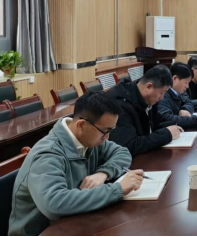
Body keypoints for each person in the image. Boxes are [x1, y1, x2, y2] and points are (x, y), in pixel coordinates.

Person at [9, 92, 144, 237]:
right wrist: (117, 190)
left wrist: (103, 173)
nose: (107, 137)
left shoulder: (90, 138)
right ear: (81, 125)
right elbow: (54, 204)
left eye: (111, 130)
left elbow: (122, 153)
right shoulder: (48, 154)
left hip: (74, 222)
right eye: (105, 131)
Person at [108, 65, 183, 157]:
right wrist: (167, 134)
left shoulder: (146, 97)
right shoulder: (121, 104)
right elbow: (128, 146)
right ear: (148, 87)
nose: (162, 97)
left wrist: (174, 126)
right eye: (161, 93)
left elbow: (155, 125)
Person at [152, 62, 197, 131]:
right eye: (186, 82)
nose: (187, 86)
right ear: (175, 78)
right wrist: (195, 121)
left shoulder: (178, 92)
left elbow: (189, 102)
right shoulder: (163, 95)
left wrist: (185, 109)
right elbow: (166, 118)